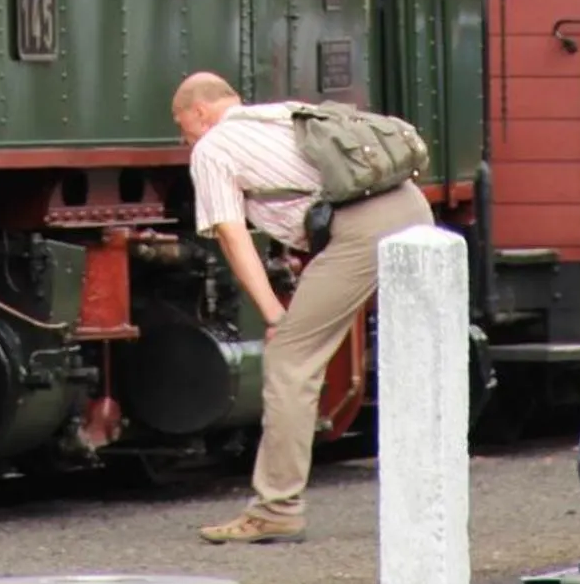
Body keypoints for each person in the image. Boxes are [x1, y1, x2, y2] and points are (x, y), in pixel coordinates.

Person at [172, 69, 432, 544]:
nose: (182, 136)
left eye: (180, 124)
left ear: (201, 112)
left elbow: (232, 236)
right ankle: (430, 496)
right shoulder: (280, 114)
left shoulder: (212, 148)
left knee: (291, 358)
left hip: (361, 229)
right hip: (412, 206)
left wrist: (274, 314)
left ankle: (276, 509)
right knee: (415, 357)